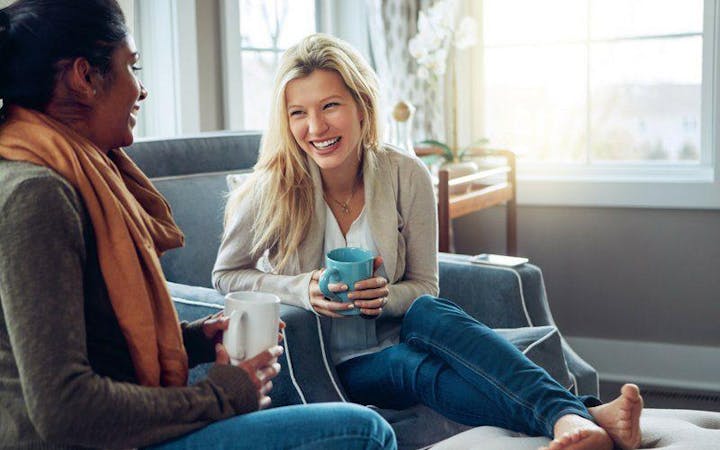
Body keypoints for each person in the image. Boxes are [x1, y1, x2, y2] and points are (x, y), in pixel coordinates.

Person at [213, 33, 644, 450]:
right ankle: (580, 413)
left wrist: (385, 298)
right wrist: (302, 288)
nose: (316, 126)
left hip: (400, 332)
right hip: (329, 360)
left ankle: (567, 418)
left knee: (428, 311)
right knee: (410, 367)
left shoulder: (406, 174)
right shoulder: (271, 188)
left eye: (330, 106)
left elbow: (424, 285)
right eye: (298, 113)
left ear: (362, 107)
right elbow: (226, 275)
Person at [0, 2, 397, 449]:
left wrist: (198, 341)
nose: (142, 89)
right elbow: (64, 411)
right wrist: (221, 394)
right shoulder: (35, 195)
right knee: (362, 432)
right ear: (84, 78)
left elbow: (99, 346)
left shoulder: (74, 173)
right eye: (133, 66)